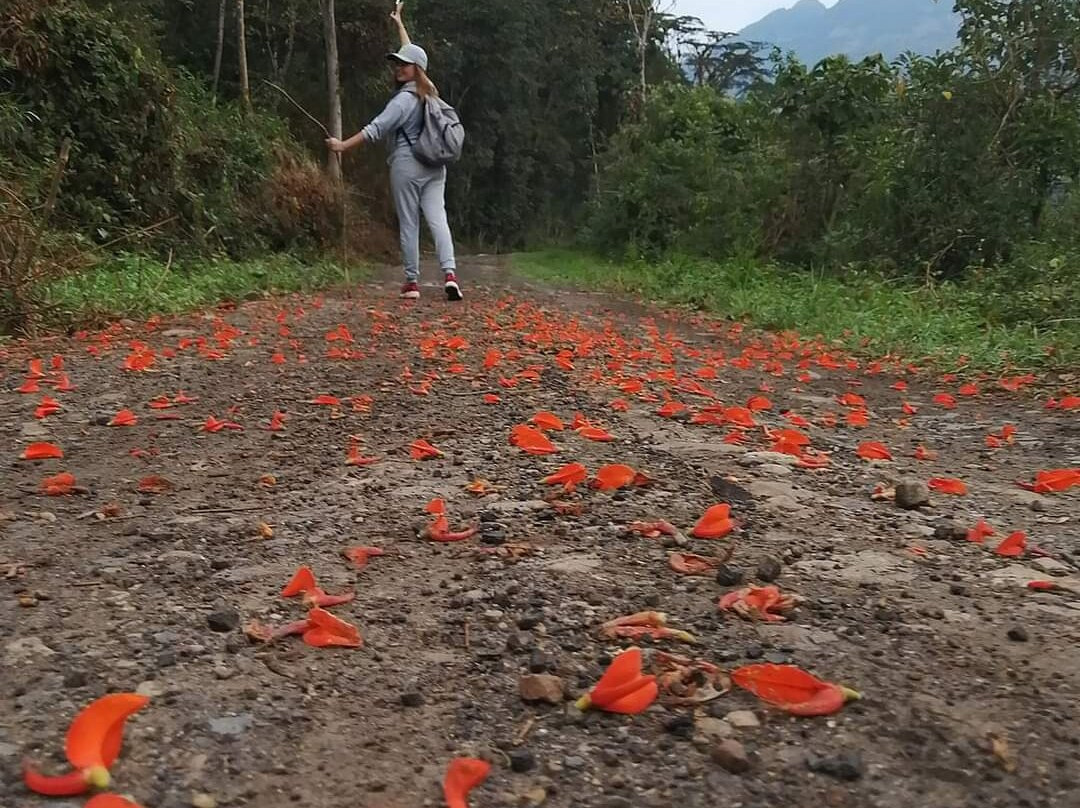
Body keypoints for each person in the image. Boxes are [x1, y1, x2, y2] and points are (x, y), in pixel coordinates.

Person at [327, 1, 461, 301]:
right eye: (397, 63)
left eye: (404, 64)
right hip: (435, 165)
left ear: (416, 69)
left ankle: (412, 283)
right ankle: (450, 275)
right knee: (438, 218)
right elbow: (413, 52)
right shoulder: (431, 91)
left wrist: (341, 146)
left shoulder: (403, 100)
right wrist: (399, 23)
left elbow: (376, 129)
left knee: (410, 221)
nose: (399, 68)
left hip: (407, 163)